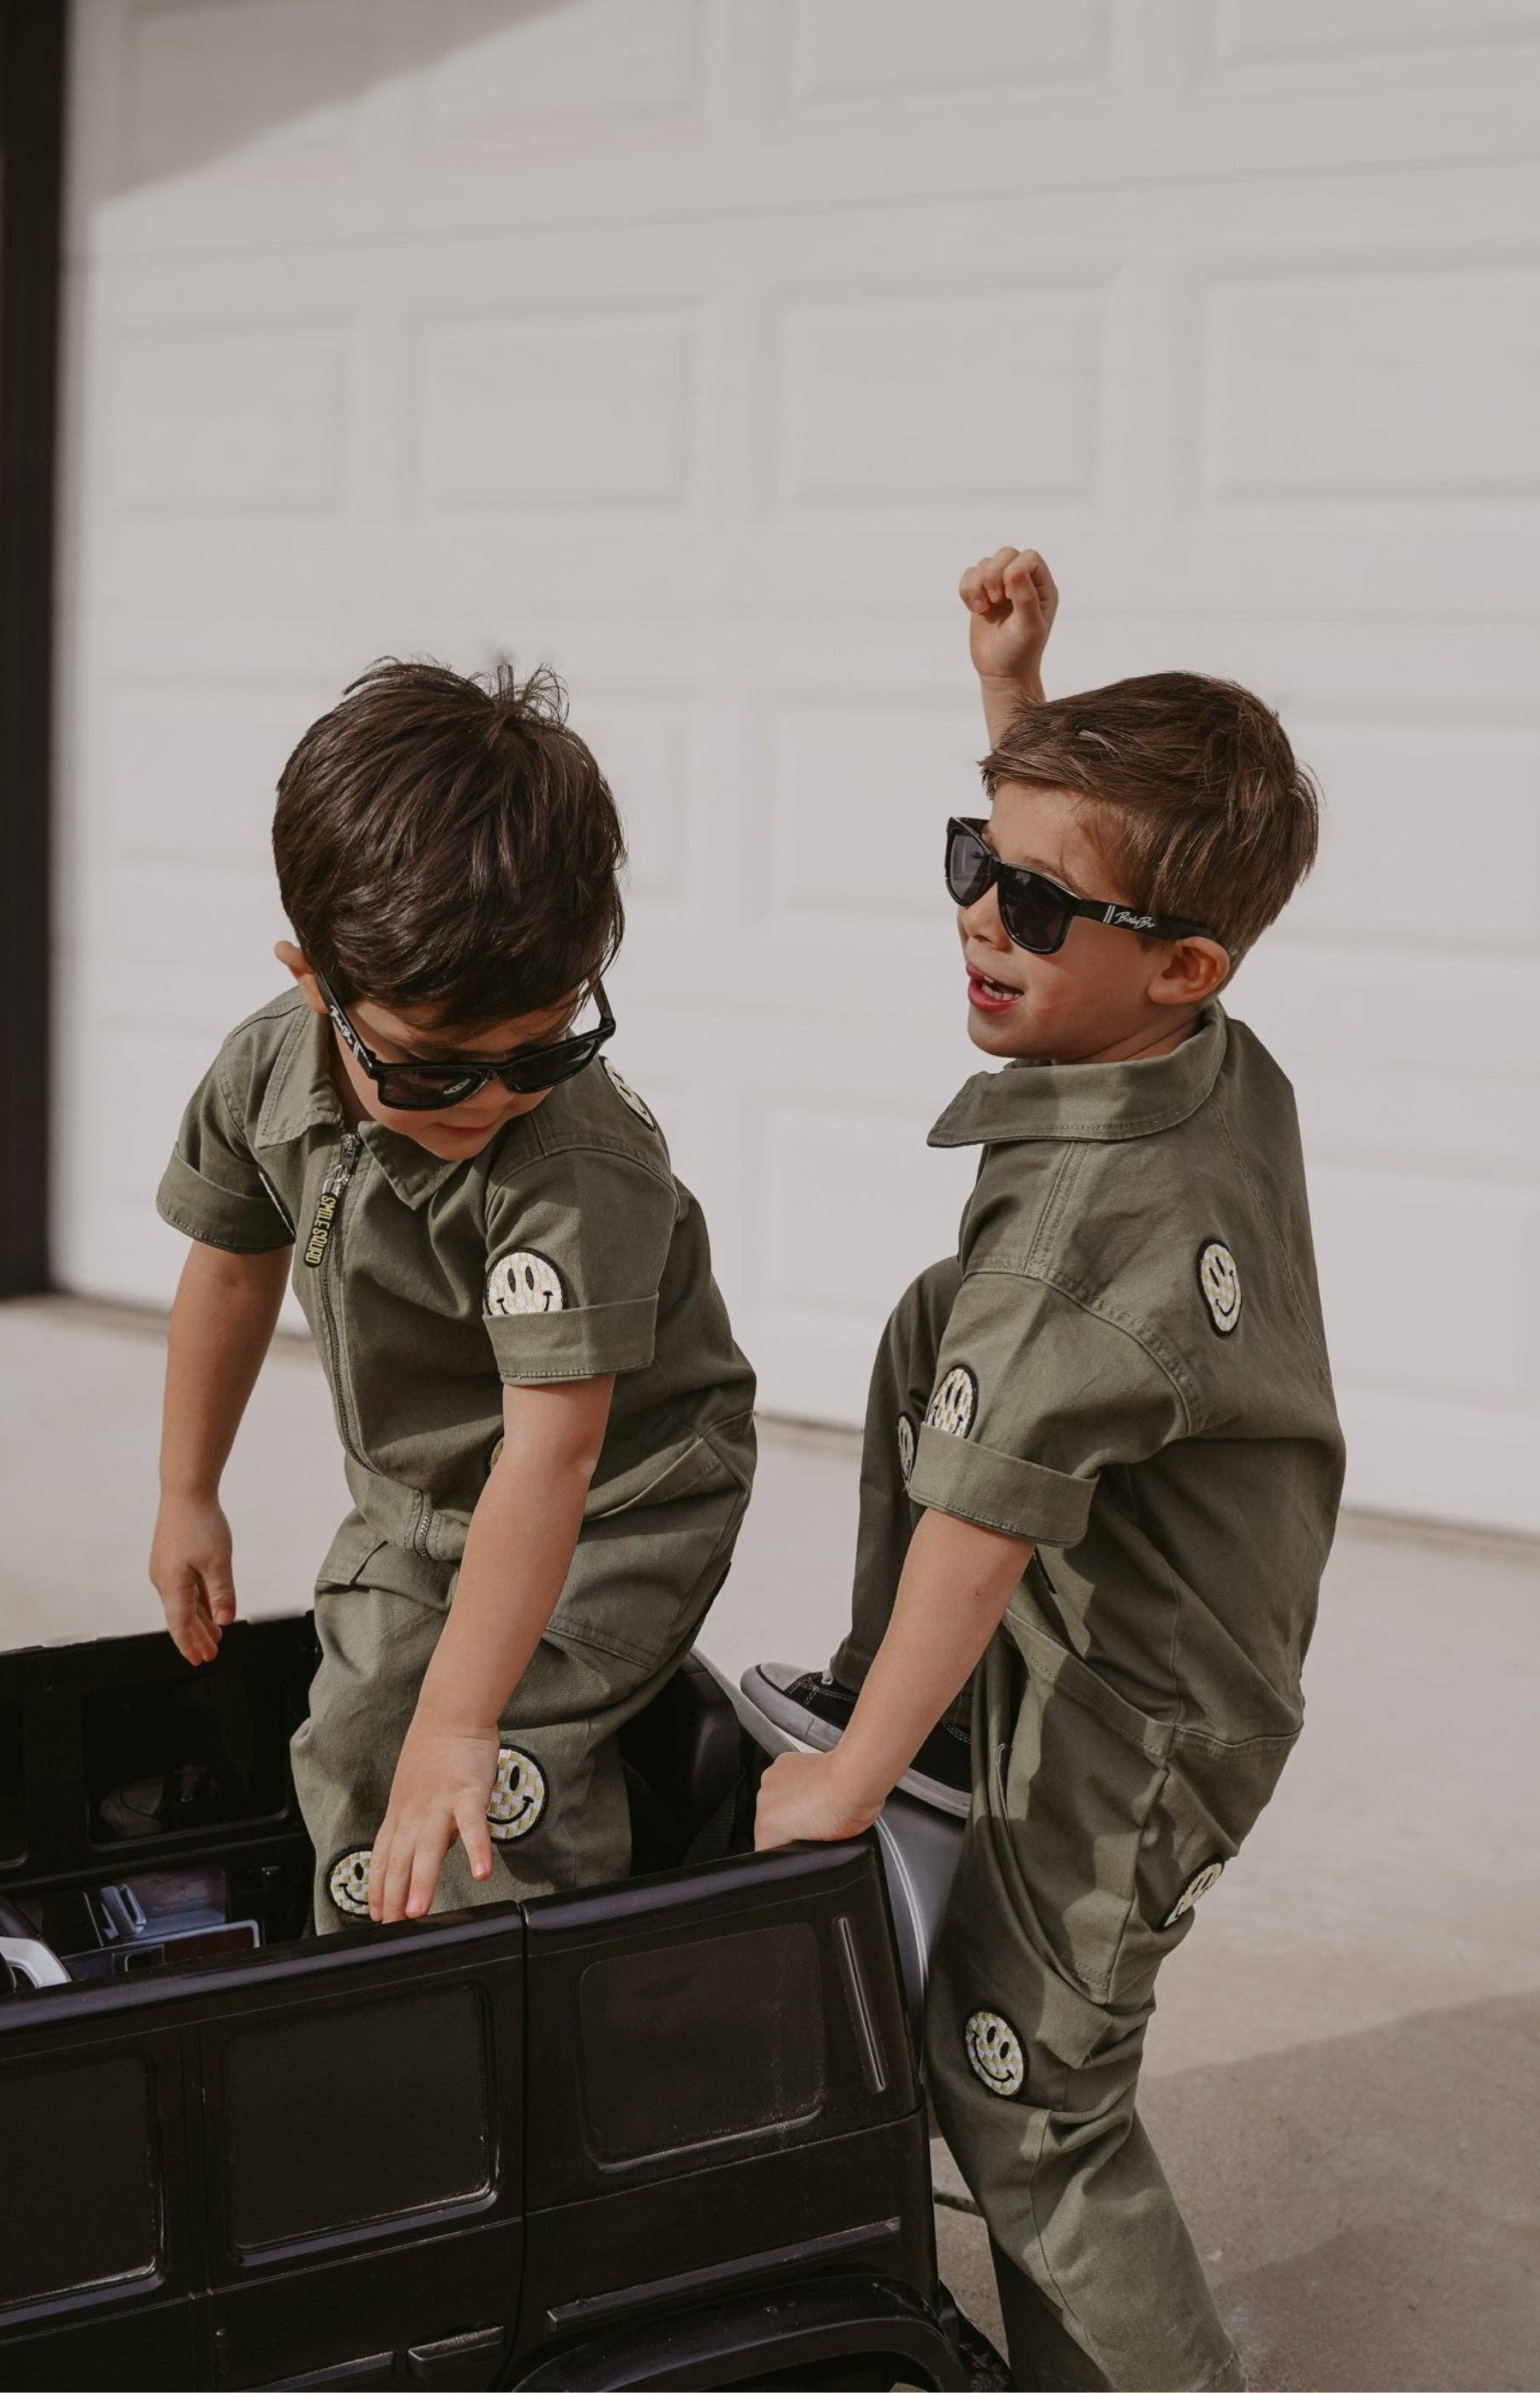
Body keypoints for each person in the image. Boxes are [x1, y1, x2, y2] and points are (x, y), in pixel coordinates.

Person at [746, 549, 1343, 2390]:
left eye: (1026, 904)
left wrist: (846, 1782)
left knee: (1025, 2089)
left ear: (1181, 965)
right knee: (940, 1325)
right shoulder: (1195, 1045)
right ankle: (921, 1713)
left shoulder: (1081, 1239)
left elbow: (982, 1525)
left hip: (1145, 1710)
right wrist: (1018, 692)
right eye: (969, 861)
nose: (977, 921)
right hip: (1162, 1578)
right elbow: (1084, 864)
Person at [149, 659, 755, 1932]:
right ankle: (371, 2001)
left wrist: (465, 1721)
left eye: (542, 1049)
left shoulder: (572, 1168)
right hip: (424, 1499)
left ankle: (538, 2015)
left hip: (618, 1508)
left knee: (493, 1793)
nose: (490, 1099)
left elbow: (555, 1452)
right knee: (357, 1748)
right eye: (432, 1069)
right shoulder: (264, 1075)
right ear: (313, 983)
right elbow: (231, 1266)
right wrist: (187, 1493)